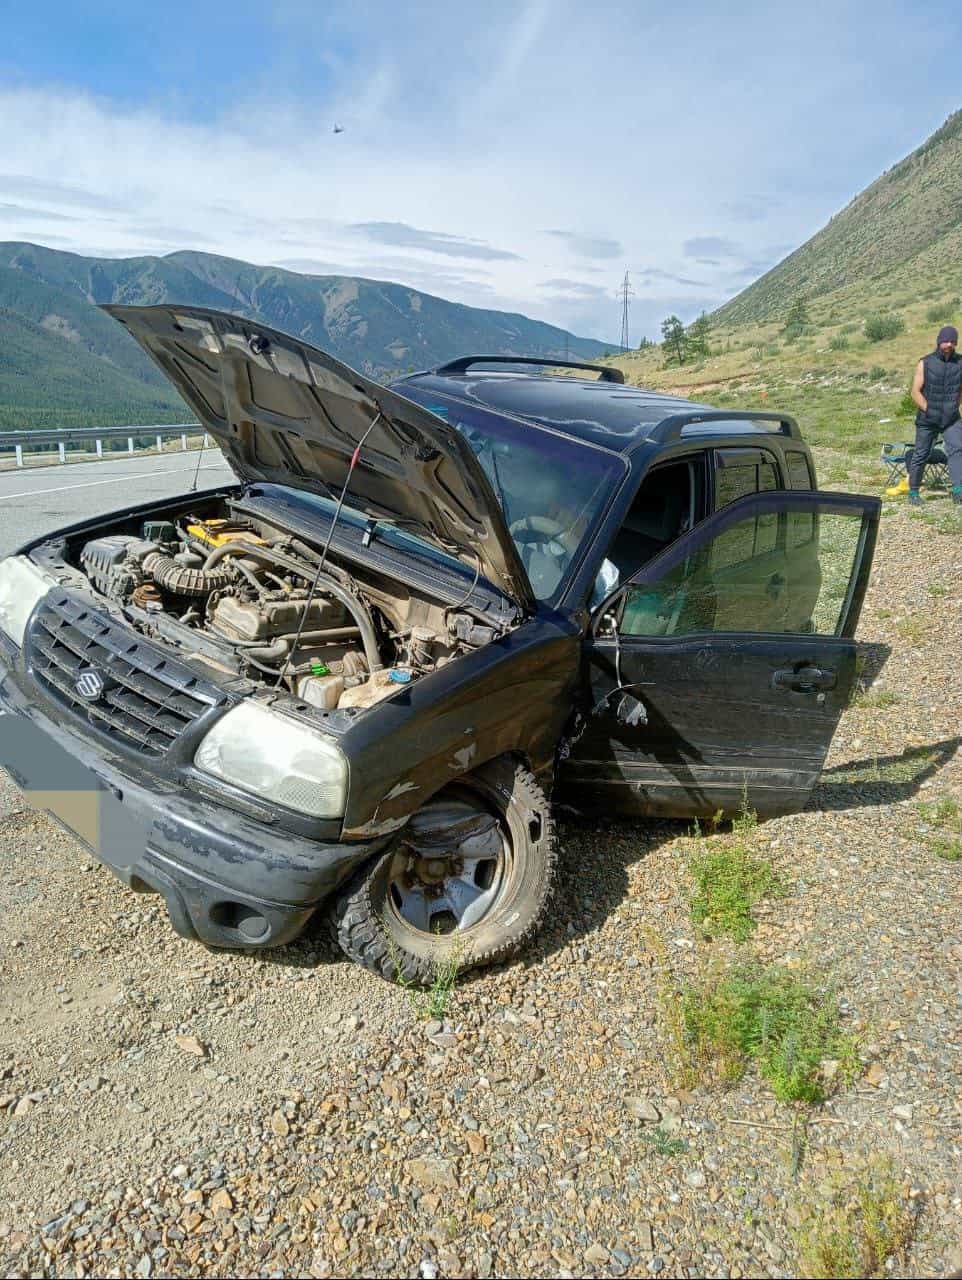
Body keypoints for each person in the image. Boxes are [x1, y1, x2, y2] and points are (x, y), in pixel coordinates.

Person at [905, 325, 962, 506]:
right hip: (927, 419)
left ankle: (958, 491)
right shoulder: (926, 362)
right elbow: (915, 392)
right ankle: (913, 492)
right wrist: (929, 410)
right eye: (946, 341)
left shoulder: (960, 362)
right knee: (921, 454)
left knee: (957, 450)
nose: (949, 345)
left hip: (951, 419)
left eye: (953, 342)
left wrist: (954, 407)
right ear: (939, 342)